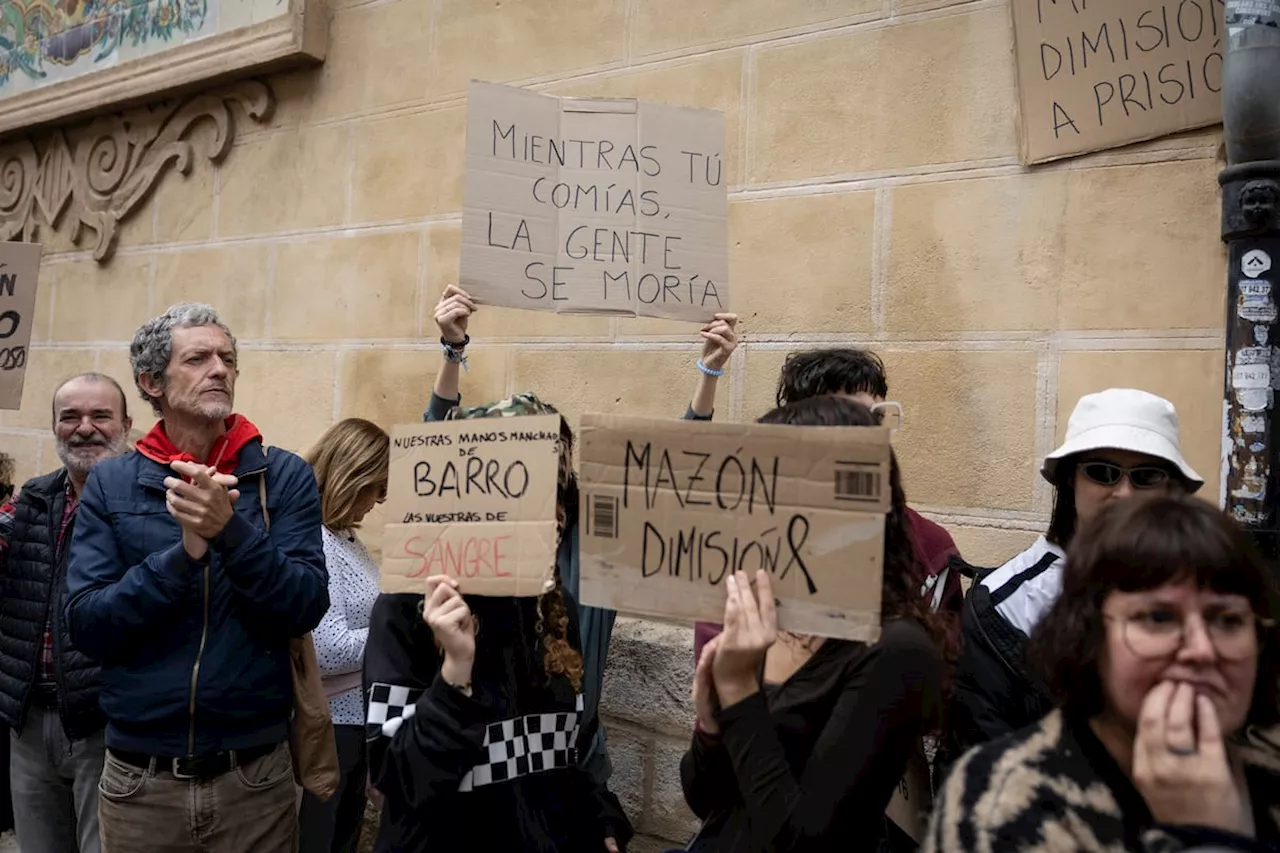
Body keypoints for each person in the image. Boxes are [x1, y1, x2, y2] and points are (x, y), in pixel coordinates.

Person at [63, 302, 329, 853]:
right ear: (151, 381)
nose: (220, 370)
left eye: (228, 359)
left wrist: (230, 532)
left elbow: (306, 604)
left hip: (254, 778)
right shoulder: (112, 484)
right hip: (140, 781)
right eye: (199, 358)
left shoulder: (281, 477)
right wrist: (181, 559)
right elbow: (87, 624)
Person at [926, 495, 1280, 852]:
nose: (1202, 650)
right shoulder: (1001, 802)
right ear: (1090, 637)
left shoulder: (1267, 779)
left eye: (1228, 620)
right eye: (1158, 618)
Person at [363, 390, 633, 852]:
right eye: (532, 497)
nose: (556, 516)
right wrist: (454, 675)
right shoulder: (409, 606)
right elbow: (400, 776)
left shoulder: (553, 606)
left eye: (558, 492)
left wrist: (599, 813)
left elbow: (564, 744)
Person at [678, 395, 947, 853]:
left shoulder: (898, 649)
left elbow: (805, 844)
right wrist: (710, 720)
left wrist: (740, 691)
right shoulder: (776, 619)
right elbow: (707, 799)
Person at [422, 284, 620, 785]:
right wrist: (453, 351)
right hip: (487, 767)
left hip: (573, 767)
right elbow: (439, 448)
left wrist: (708, 373)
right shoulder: (473, 560)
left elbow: (664, 482)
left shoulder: (590, 548)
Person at [944, 389, 1201, 771]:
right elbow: (978, 766)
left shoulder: (1209, 593)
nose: (1123, 492)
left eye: (1146, 476)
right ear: (1069, 480)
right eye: (1102, 472)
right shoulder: (1006, 605)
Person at [692, 348, 963, 674]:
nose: (868, 436)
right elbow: (717, 686)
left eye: (875, 418)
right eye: (848, 419)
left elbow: (948, 672)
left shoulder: (930, 545)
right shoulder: (743, 545)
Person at [0, 374, 133, 853]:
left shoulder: (145, 501)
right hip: (30, 724)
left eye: (100, 416)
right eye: (70, 417)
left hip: (106, 722)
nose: (84, 429)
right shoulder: (34, 499)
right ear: (54, 426)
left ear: (126, 425)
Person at [298, 418, 389, 853]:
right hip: (330, 727)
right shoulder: (313, 541)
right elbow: (328, 649)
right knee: (321, 840)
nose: (381, 500)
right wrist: (406, 629)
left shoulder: (347, 538)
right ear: (353, 477)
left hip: (356, 722)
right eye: (378, 486)